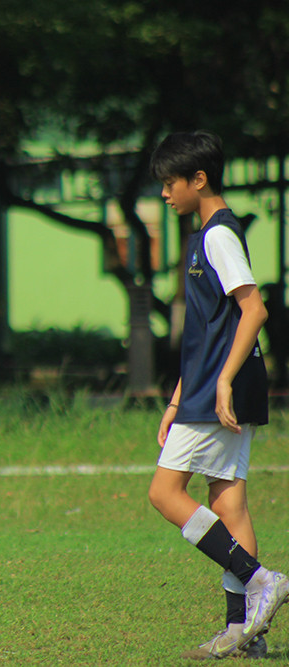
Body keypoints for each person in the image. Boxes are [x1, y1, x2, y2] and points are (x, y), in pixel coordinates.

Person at [147, 130, 289, 660]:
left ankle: (260, 579)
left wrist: (222, 381)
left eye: (169, 183)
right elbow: (207, 330)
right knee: (228, 502)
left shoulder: (218, 236)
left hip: (219, 388)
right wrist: (175, 398)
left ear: (198, 179)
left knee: (164, 494)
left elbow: (254, 310)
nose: (165, 194)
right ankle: (245, 633)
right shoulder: (204, 234)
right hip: (207, 385)